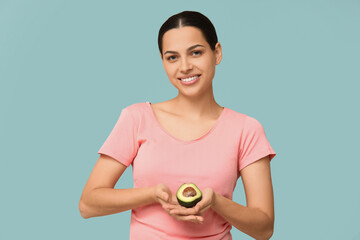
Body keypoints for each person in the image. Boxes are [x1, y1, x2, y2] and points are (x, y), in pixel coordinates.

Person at [79, 11, 276, 240]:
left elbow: (264, 229)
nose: (184, 67)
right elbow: (88, 204)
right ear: (162, 61)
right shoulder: (137, 118)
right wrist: (153, 194)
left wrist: (216, 202)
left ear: (217, 52)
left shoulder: (246, 130)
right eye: (172, 57)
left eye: (196, 53)